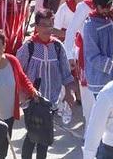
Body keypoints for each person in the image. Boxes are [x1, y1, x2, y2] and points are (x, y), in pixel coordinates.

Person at [17, 10, 76, 159]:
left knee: (44, 136)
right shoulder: (28, 47)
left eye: (50, 25)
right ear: (36, 27)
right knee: (33, 134)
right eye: (43, 25)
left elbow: (66, 73)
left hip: (51, 100)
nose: (47, 29)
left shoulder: (57, 46)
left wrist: (70, 92)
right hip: (32, 100)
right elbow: (17, 71)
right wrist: (22, 93)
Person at [83, 0, 113, 97]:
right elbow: (92, 56)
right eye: (103, 7)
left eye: (109, 5)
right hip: (101, 79)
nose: (107, 9)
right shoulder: (91, 25)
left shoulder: (112, 18)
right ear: (95, 6)